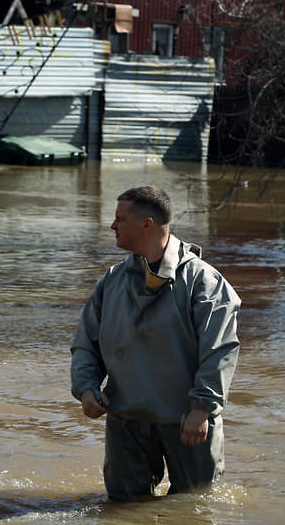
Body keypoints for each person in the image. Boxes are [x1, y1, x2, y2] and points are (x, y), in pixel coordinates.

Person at [70, 185, 241, 501]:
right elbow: (86, 342)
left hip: (188, 422)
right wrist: (86, 387)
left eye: (120, 219)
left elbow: (221, 350)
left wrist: (202, 409)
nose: (112, 226)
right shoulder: (112, 281)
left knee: (194, 508)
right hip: (127, 421)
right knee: (123, 509)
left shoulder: (205, 283)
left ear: (146, 224)